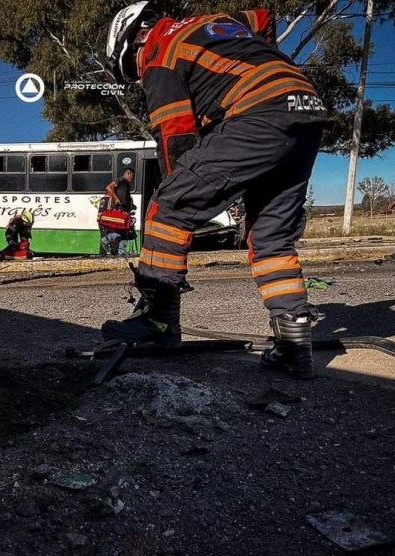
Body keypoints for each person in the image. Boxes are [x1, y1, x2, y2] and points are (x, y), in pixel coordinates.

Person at [102, 2, 329, 379]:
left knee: (169, 204)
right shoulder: (217, 22)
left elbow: (175, 141)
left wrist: (182, 197)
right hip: (304, 109)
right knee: (270, 236)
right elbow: (263, 16)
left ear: (138, 37)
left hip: (260, 110)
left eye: (132, 67)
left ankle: (158, 322)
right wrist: (266, 58)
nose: (140, 77)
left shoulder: (159, 51)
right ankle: (293, 348)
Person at [99, 167, 136, 255]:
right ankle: (106, 240)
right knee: (119, 231)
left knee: (125, 232)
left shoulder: (126, 184)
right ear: (128, 173)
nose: (133, 179)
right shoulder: (121, 180)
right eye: (132, 176)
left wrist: (132, 206)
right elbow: (109, 187)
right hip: (119, 210)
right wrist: (116, 199)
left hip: (124, 210)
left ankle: (121, 252)